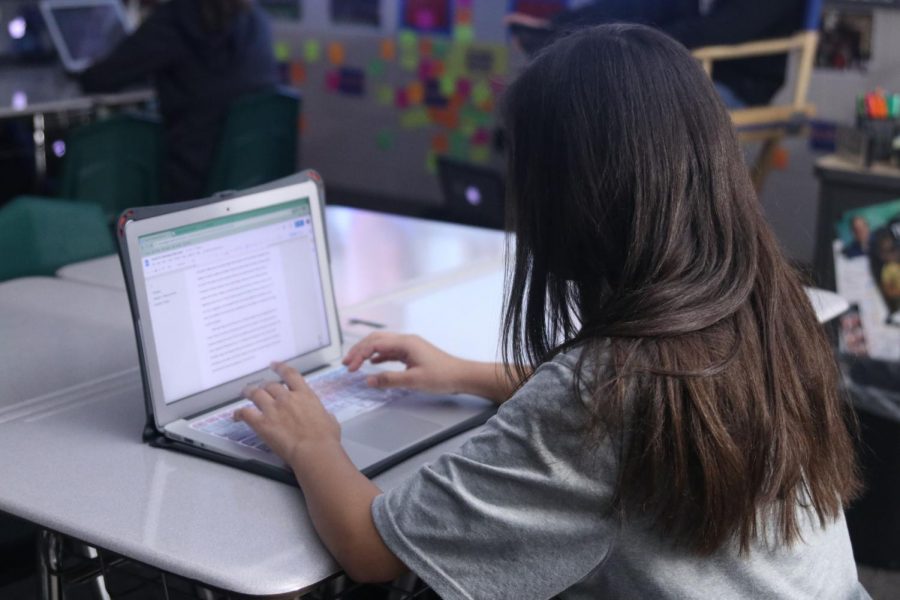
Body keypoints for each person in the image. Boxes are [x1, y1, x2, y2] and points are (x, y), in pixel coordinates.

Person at [235, 25, 867, 599]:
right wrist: (466, 373)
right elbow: (643, 416)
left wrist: (312, 441)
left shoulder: (602, 391)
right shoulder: (768, 307)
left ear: (573, 200)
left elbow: (372, 551)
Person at [80, 0, 278, 202]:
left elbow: (101, 78)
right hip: (249, 175)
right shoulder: (256, 21)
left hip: (189, 176)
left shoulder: (177, 20)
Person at [506, 0, 807, 108]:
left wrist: (638, 42)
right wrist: (558, 25)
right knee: (571, 87)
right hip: (675, 70)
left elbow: (720, 31)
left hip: (735, 85)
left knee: (618, 100)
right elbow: (635, 6)